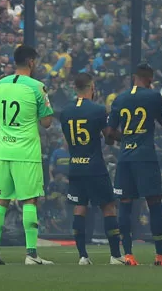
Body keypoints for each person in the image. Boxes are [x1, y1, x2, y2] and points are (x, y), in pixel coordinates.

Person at [0, 44, 56, 265]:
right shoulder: (38, 87)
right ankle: (31, 254)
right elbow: (47, 123)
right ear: (31, 62)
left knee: (0, 202)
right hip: (26, 151)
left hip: (3, 150)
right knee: (29, 201)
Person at [60, 72, 124, 265]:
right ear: (91, 87)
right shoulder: (97, 110)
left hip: (75, 166)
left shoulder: (65, 112)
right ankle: (115, 255)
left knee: (80, 208)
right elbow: (109, 137)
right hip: (95, 166)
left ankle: (82, 256)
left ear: (74, 88)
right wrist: (124, 135)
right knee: (108, 207)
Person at [105, 63, 162, 265]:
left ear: (133, 77)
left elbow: (110, 133)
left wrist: (127, 139)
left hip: (125, 158)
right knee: (155, 203)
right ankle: (161, 256)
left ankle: (128, 255)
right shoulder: (153, 96)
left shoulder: (119, 98)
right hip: (146, 156)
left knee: (125, 205)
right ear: (150, 79)